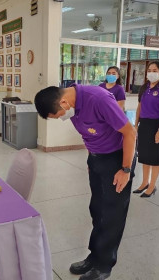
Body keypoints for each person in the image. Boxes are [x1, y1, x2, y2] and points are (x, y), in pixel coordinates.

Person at [34, 84, 137, 280]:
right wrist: (92, 159)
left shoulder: (99, 99)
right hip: (97, 158)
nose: (62, 119)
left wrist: (125, 169)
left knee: (111, 214)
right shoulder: (72, 105)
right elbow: (88, 133)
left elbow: (130, 133)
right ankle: (95, 256)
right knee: (97, 209)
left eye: (58, 116)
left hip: (118, 159)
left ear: (63, 102)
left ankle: (104, 265)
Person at [132, 61, 159, 197]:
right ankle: (144, 183)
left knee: (154, 157)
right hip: (144, 125)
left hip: (156, 125)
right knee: (144, 155)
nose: (151, 73)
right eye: (149, 70)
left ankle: (152, 185)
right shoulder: (144, 88)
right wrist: (135, 125)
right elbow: (139, 108)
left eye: (155, 70)